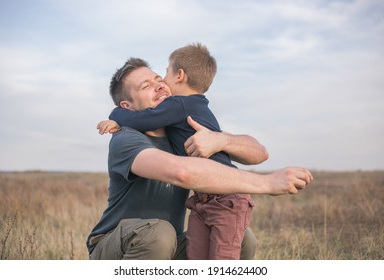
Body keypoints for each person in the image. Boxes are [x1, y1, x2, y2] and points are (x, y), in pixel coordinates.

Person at [87, 57, 313, 260]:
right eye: (146, 86)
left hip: (168, 247)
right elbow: (182, 172)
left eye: (158, 79)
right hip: (115, 248)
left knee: (243, 238)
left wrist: (221, 140)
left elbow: (260, 152)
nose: (158, 86)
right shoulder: (126, 138)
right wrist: (267, 183)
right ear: (127, 107)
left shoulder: (182, 132)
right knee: (160, 234)